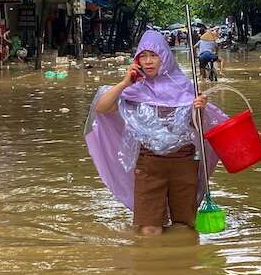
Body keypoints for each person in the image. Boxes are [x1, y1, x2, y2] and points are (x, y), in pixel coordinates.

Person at [86, 31, 228, 236]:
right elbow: (102, 108)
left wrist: (199, 109)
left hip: (185, 162)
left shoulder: (185, 87)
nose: (148, 61)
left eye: (154, 55)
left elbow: (196, 128)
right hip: (148, 164)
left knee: (183, 227)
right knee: (149, 229)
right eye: (143, 56)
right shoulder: (134, 90)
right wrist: (126, 82)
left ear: (165, 57)